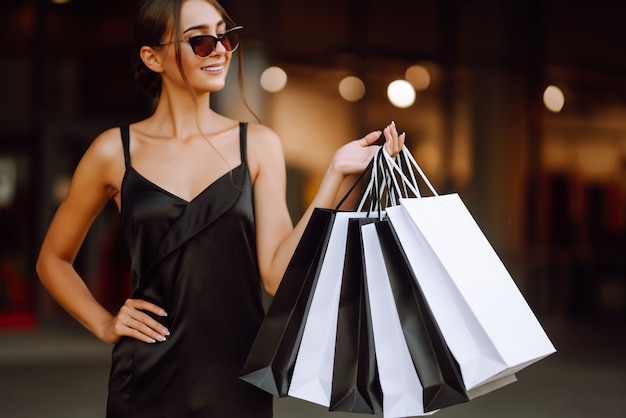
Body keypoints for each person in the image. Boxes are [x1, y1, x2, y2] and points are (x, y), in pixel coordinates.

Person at [36, 0, 405, 416]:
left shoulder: (259, 145)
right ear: (152, 57)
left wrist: (335, 177)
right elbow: (53, 259)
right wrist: (105, 324)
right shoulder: (113, 151)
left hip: (236, 379)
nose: (220, 50)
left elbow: (276, 276)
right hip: (144, 380)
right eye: (200, 40)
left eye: (225, 35)